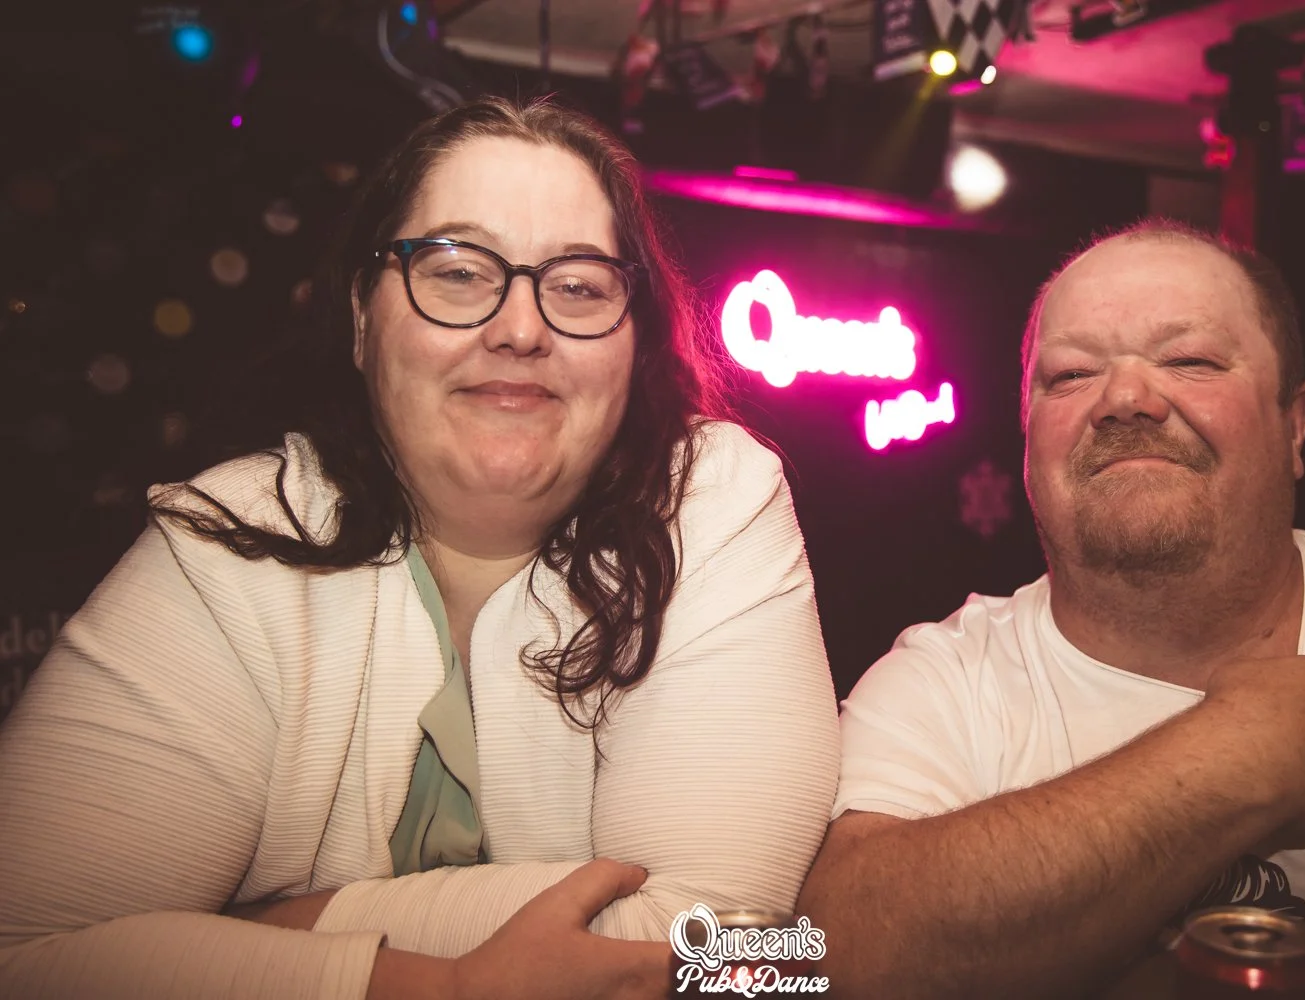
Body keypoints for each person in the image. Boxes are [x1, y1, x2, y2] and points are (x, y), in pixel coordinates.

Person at [0, 96, 839, 1000]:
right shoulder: (230, 546)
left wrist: (247, 936)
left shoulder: (711, 499)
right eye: (458, 272)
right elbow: (23, 953)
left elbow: (723, 945)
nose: (520, 329)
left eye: (578, 286)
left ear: (634, 343)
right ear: (363, 320)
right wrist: (445, 988)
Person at [797, 220, 1305, 998]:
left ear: (1295, 423)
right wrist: (1248, 753)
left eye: (1190, 361)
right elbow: (837, 956)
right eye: (1071, 375)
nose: (1126, 398)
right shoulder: (941, 678)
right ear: (1027, 436)